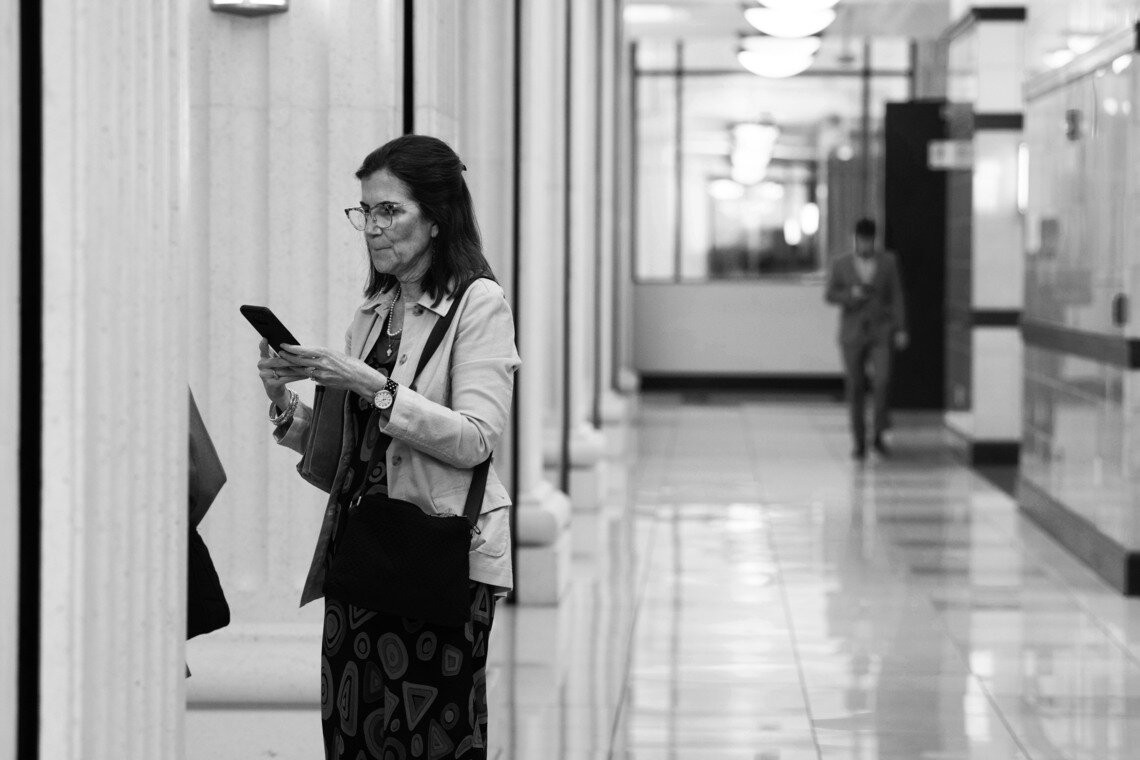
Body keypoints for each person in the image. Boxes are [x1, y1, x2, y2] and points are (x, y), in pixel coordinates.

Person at [255, 135, 520, 759]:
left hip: (440, 553)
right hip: (366, 550)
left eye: (388, 211)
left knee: (431, 737)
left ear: (435, 218)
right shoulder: (371, 311)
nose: (371, 228)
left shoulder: (479, 304)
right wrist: (286, 405)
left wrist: (372, 385)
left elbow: (477, 439)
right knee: (353, 730)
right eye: (364, 211)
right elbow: (350, 458)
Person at [825, 218, 908, 460]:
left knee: (882, 382)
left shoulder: (889, 262)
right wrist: (851, 295)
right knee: (856, 386)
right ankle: (859, 440)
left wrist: (901, 327)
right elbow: (830, 294)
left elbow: (897, 295)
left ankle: (879, 433)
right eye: (861, 240)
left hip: (881, 331)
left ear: (874, 239)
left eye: (868, 241)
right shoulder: (841, 264)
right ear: (855, 239)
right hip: (852, 334)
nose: (865, 245)